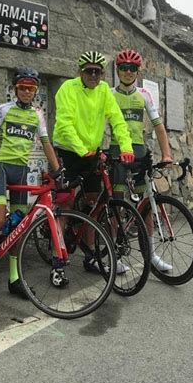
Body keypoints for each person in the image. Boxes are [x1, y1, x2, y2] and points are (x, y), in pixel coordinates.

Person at [0, 67, 62, 298]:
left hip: (22, 171)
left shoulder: (37, 115)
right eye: (22, 88)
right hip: (1, 167)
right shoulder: (3, 109)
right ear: (15, 89)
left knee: (19, 227)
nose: (27, 91)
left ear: (35, 91)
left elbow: (46, 145)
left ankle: (14, 279)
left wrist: (58, 171)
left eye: (31, 88)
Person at [53, 50, 134, 279]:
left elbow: (117, 121)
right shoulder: (68, 88)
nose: (94, 76)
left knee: (93, 203)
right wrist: (81, 150)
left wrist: (126, 148)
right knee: (65, 203)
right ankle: (58, 262)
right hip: (70, 151)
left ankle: (90, 257)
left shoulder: (104, 92)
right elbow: (65, 123)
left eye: (98, 72)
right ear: (80, 72)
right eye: (89, 71)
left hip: (92, 153)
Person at [109, 49, 173, 271]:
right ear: (117, 70)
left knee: (146, 203)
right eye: (124, 68)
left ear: (138, 71)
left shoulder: (144, 94)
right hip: (117, 151)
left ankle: (151, 254)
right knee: (116, 204)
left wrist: (166, 154)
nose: (128, 72)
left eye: (132, 68)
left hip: (139, 152)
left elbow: (158, 125)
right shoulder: (108, 94)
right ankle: (114, 256)